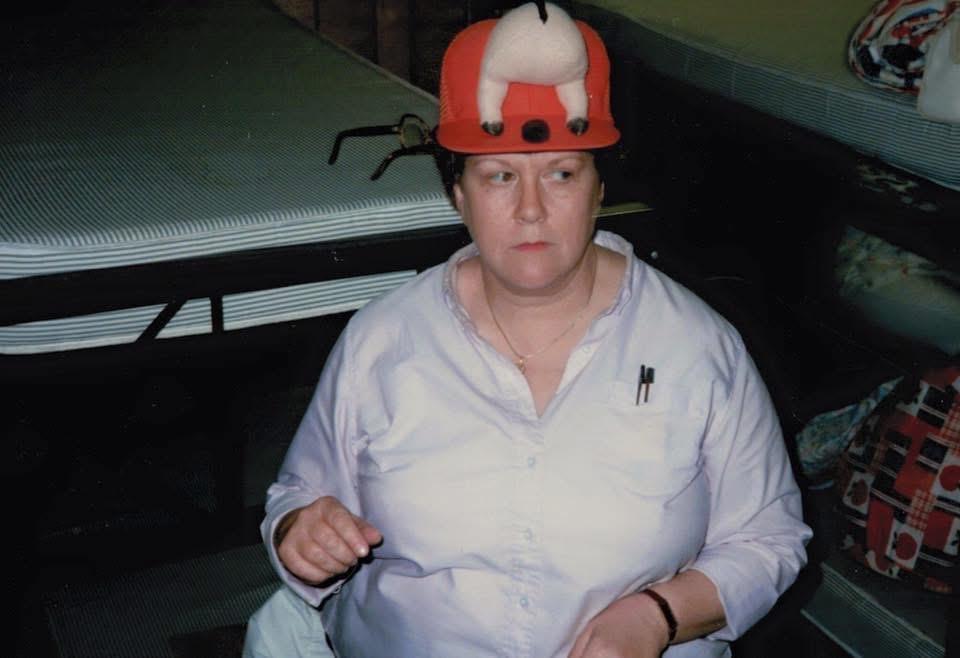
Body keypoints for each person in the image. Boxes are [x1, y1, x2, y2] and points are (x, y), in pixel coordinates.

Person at [244, 3, 811, 657]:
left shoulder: (698, 347)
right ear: (459, 195)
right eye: (500, 176)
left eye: (563, 174)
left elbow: (769, 539)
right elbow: (299, 492)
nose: (532, 209)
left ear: (600, 187)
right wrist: (299, 531)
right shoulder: (382, 339)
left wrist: (659, 615)